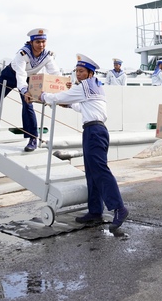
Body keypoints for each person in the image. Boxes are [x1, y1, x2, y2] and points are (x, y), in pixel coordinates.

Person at [40, 53, 128, 232]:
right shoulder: (94, 86)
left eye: (81, 71)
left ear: (90, 73)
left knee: (100, 171)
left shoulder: (85, 86)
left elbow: (59, 97)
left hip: (94, 132)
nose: (78, 74)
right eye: (77, 71)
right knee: (92, 172)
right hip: (94, 130)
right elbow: (82, 106)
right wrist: (68, 103)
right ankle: (95, 210)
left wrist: (41, 96)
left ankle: (119, 208)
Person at [0, 28, 60, 153]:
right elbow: (20, 75)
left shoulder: (47, 55)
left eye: (43, 42)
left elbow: (55, 73)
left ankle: (32, 138)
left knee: (28, 105)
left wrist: (63, 84)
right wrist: (25, 91)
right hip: (11, 74)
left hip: (29, 78)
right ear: (31, 42)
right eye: (38, 42)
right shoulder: (23, 53)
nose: (41, 45)